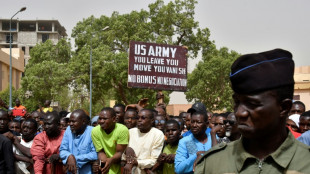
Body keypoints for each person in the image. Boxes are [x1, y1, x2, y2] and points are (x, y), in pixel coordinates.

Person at [195, 49, 310, 173]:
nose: (239, 112)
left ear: (284, 108)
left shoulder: (305, 164)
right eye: (237, 102)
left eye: (252, 104)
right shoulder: (213, 164)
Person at [123, 109, 164, 174]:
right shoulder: (130, 132)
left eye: (143, 118)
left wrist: (136, 162)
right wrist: (126, 151)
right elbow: (122, 156)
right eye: (138, 118)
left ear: (152, 120)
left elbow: (154, 160)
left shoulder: (157, 134)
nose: (139, 120)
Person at [91, 107, 129, 174]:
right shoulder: (95, 131)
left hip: (119, 166)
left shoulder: (122, 130)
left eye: (105, 119)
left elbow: (120, 152)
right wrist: (104, 164)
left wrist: (110, 160)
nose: (101, 121)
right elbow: (100, 151)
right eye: (100, 118)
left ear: (114, 119)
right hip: (106, 164)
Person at [60, 109, 97, 174]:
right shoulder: (68, 130)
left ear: (83, 121)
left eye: (73, 122)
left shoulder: (93, 131)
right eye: (70, 121)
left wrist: (74, 159)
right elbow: (62, 150)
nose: (70, 124)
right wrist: (69, 156)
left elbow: (95, 154)